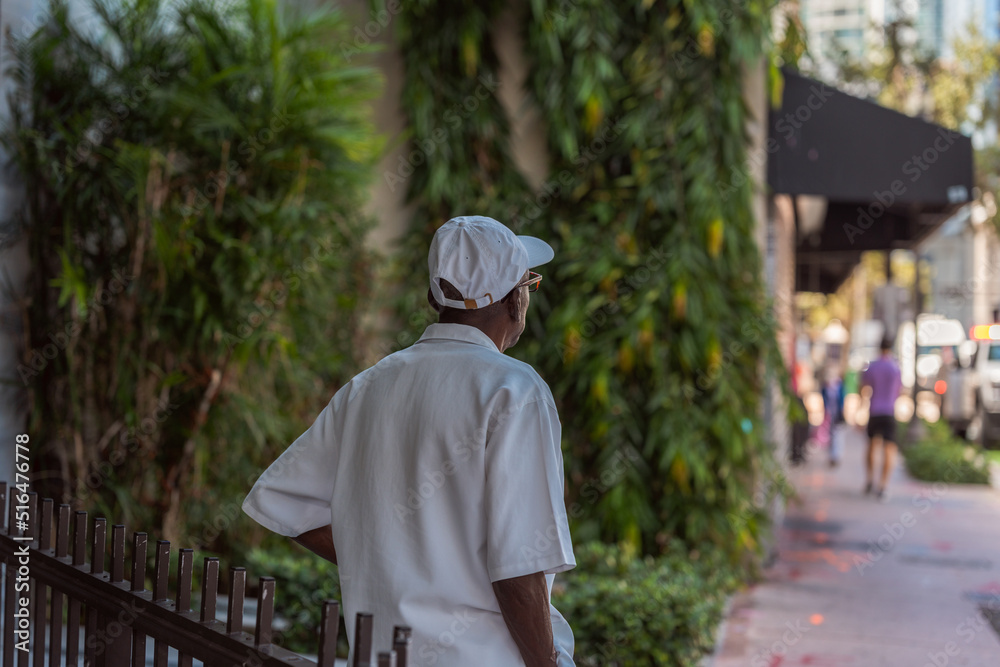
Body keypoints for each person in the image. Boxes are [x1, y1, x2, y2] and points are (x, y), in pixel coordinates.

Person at [242, 215, 576, 666]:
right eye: (529, 284)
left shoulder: (371, 384)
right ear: (516, 298)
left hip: (383, 655)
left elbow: (285, 501)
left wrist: (392, 561)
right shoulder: (513, 390)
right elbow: (520, 566)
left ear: (432, 296)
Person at [861, 338, 902, 500]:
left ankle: (870, 479)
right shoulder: (895, 367)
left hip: (874, 411)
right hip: (889, 412)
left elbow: (863, 387)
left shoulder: (873, 365)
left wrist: (859, 408)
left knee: (871, 446)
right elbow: (900, 390)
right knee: (889, 449)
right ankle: (883, 485)